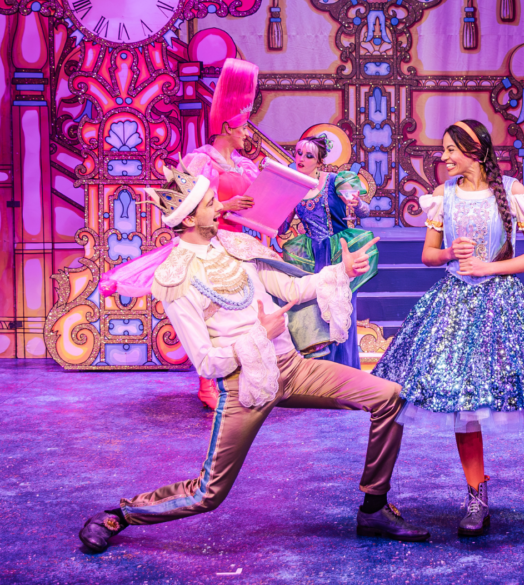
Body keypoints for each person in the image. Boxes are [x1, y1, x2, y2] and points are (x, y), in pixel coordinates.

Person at [78, 165, 429, 554]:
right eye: (211, 204)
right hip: (245, 386)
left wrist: (341, 271)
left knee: (390, 397)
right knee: (208, 493)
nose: (220, 208)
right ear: (190, 218)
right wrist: (259, 334)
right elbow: (207, 362)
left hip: (294, 369)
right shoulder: (174, 279)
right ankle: (119, 515)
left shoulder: (238, 248)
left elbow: (295, 287)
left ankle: (374, 508)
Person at [371, 119, 524, 537]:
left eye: (452, 150)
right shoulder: (442, 197)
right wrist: (448, 253)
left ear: (475, 150)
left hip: (504, 303)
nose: (445, 157)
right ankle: (476, 495)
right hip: (455, 304)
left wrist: (491, 266)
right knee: (464, 405)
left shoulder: (513, 193)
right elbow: (428, 256)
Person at [181, 58, 259, 409]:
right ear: (228, 126)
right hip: (209, 246)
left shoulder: (245, 165)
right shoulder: (201, 162)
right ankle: (207, 384)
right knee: (211, 312)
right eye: (243, 126)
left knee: (241, 312)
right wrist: (226, 206)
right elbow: (183, 208)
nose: (248, 133)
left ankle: (238, 378)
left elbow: (257, 207)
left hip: (239, 247)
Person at [276, 135, 376, 369]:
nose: (301, 158)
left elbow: (364, 211)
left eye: (308, 155)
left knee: (340, 310)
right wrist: (279, 202)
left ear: (319, 161)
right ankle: (320, 373)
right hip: (310, 256)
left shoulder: (333, 181)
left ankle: (345, 372)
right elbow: (281, 227)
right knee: (315, 313)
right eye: (299, 153)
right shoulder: (294, 186)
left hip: (339, 253)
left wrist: (356, 204)